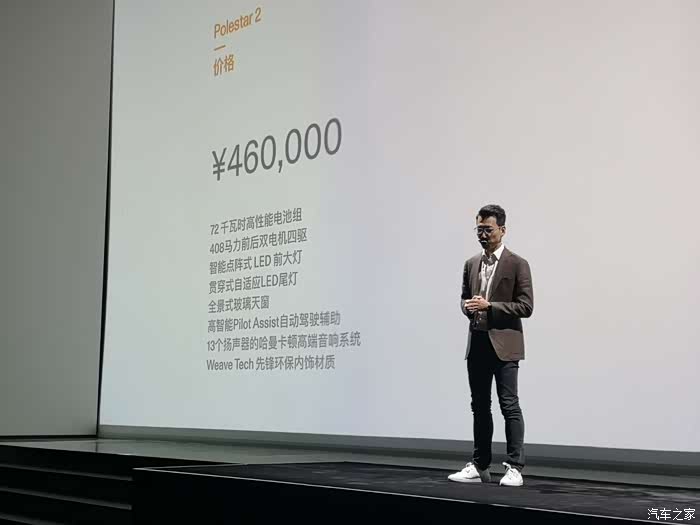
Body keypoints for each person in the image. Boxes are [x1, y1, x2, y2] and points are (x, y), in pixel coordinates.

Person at [448, 204, 533, 487]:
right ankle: (480, 465)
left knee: (509, 405)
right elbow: (464, 298)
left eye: (488, 229)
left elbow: (526, 306)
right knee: (480, 406)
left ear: (502, 230)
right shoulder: (471, 263)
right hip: (478, 343)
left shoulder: (517, 263)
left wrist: (490, 306)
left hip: (505, 345)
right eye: (479, 229)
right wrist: (468, 307)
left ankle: (515, 467)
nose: (482, 235)